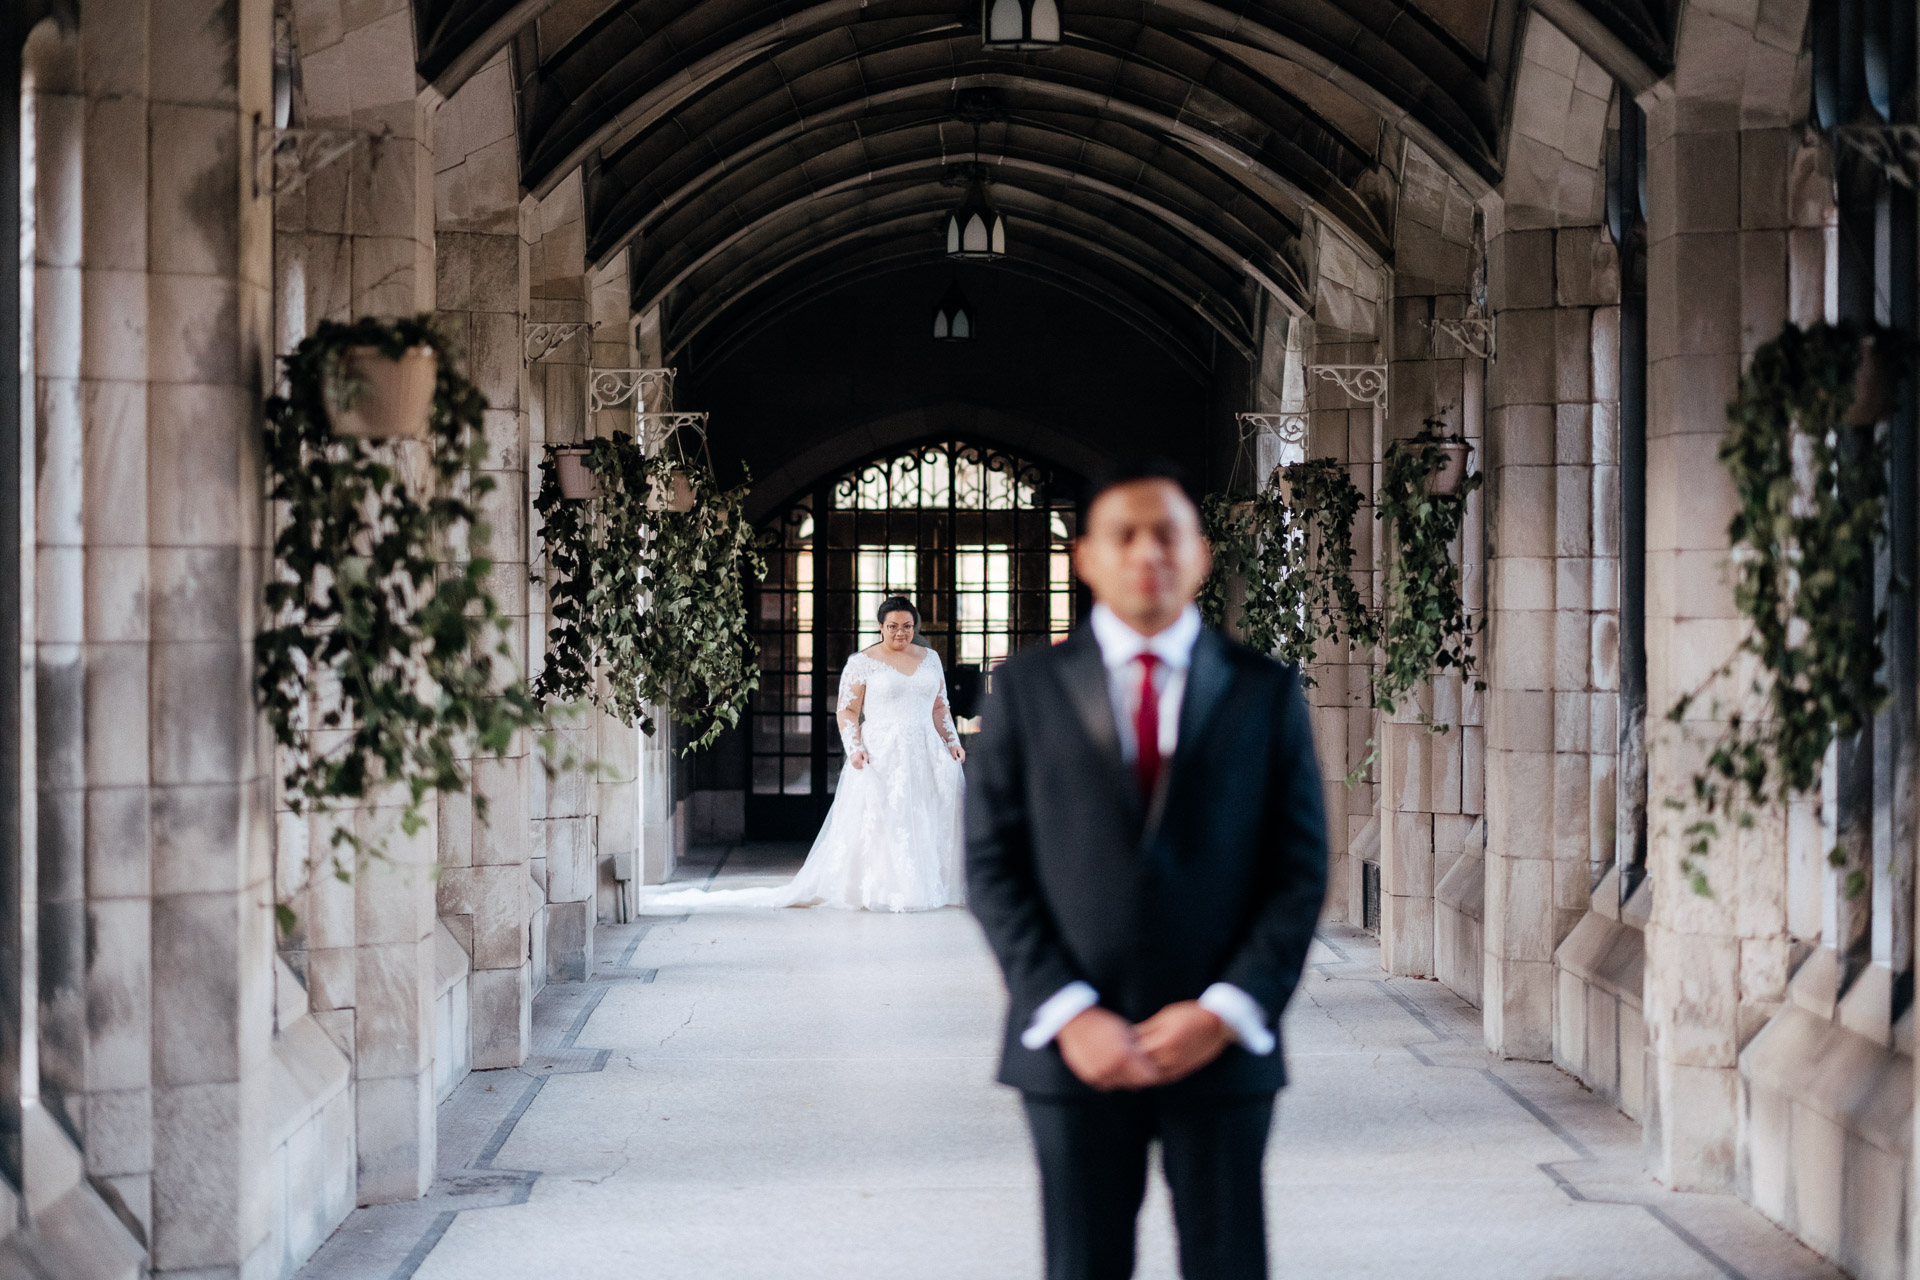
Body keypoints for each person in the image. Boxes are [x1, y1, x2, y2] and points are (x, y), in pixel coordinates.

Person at [965, 459, 1328, 1280]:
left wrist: (1227, 1008)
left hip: (1223, 1041)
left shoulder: (1264, 693)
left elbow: (1298, 870)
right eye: (1124, 536)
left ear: (1201, 555)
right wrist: (1067, 1008)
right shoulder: (1026, 691)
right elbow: (993, 865)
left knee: (1226, 1259)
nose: (1146, 554)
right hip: (1070, 1046)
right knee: (1084, 1263)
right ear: (1087, 558)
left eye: (1167, 535)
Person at [639, 595, 968, 913]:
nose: (901, 632)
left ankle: (932, 884)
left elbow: (940, 706)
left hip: (926, 749)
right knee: (888, 819)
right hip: (882, 751)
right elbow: (847, 712)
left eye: (908, 626)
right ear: (880, 626)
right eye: (894, 625)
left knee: (925, 813)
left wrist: (952, 741)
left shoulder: (930, 658)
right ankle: (887, 889)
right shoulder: (862, 663)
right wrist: (855, 749)